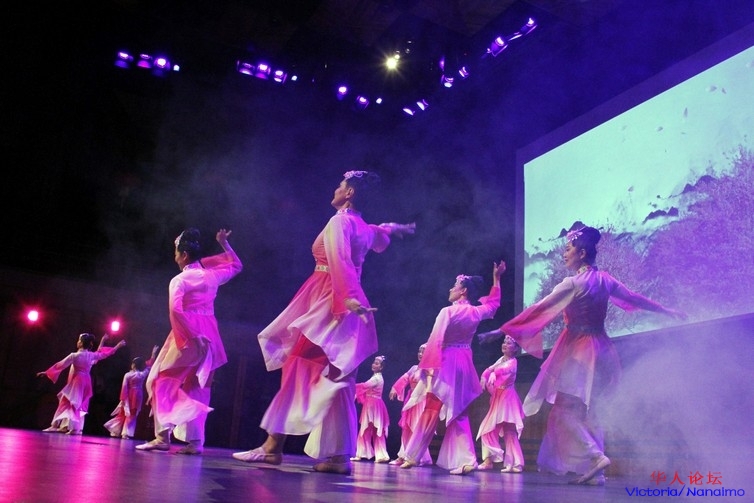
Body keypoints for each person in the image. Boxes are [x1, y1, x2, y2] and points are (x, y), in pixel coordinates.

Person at [232, 170, 415, 475]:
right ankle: (338, 456)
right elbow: (376, 235)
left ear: (350, 193)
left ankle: (272, 448)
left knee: (298, 365)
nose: (335, 189)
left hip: (332, 298)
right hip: (342, 298)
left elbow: (340, 259)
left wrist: (348, 298)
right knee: (338, 377)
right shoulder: (360, 225)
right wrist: (391, 228)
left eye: (341, 186)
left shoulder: (340, 222)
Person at [479, 226, 685, 485]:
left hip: (579, 351)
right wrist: (665, 310)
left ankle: (595, 456)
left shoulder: (573, 284)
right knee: (590, 411)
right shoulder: (605, 279)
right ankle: (596, 473)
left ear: (582, 253)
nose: (564, 253)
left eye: (568, 249)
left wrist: (501, 330)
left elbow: (539, 310)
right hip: (603, 349)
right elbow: (634, 298)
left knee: (562, 411)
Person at [136, 228, 242, 454]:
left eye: (176, 253)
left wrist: (192, 335)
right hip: (210, 334)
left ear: (184, 255)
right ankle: (196, 442)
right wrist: (224, 243)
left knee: (160, 380)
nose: (174, 257)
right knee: (198, 385)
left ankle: (162, 437)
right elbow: (236, 266)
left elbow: (176, 311)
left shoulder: (180, 280)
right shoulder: (212, 276)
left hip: (189, 332)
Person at [399, 261, 506, 475]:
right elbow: (494, 305)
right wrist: (497, 279)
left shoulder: (447, 312)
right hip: (464, 361)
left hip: (447, 360)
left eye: (454, 286)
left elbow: (435, 339)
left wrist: (427, 365)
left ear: (463, 291)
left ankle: (412, 455)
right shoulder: (475, 312)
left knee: (431, 407)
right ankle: (467, 460)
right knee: (459, 410)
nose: (450, 289)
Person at [38, 333, 126, 435]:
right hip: (86, 381)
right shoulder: (91, 355)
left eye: (79, 340)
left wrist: (47, 372)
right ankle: (72, 427)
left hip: (77, 381)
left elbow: (61, 365)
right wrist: (117, 346)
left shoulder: (75, 355)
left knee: (71, 402)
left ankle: (67, 427)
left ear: (81, 343)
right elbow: (103, 354)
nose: (78, 342)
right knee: (77, 404)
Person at [476, 335, 525, 473]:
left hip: (507, 399)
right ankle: (501, 462)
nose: (505, 344)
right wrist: (484, 376)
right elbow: (489, 369)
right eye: (504, 342)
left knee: (499, 430)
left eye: (509, 343)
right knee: (494, 430)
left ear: (515, 349)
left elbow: (500, 370)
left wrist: (493, 373)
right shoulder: (502, 359)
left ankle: (513, 463)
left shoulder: (513, 362)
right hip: (499, 398)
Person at [388, 343, 433, 466]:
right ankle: (403, 456)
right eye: (419, 351)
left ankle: (419, 457)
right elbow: (405, 378)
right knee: (406, 427)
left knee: (417, 428)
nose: (420, 354)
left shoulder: (429, 369)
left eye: (423, 352)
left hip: (420, 401)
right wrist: (395, 388)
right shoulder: (414, 368)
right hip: (410, 399)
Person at [104, 345, 160, 439]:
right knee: (132, 414)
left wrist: (123, 399)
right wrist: (153, 354)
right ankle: (125, 433)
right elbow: (150, 365)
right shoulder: (143, 373)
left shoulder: (128, 375)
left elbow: (124, 387)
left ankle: (117, 431)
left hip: (129, 394)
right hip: (138, 394)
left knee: (124, 413)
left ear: (133, 365)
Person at [351, 355, 390, 463]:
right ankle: (374, 454)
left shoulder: (377, 378)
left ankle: (375, 455)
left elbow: (365, 386)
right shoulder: (376, 377)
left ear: (381, 367)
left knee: (369, 429)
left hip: (373, 405)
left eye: (377, 364)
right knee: (371, 429)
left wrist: (352, 385)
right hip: (372, 404)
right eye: (374, 362)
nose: (374, 365)